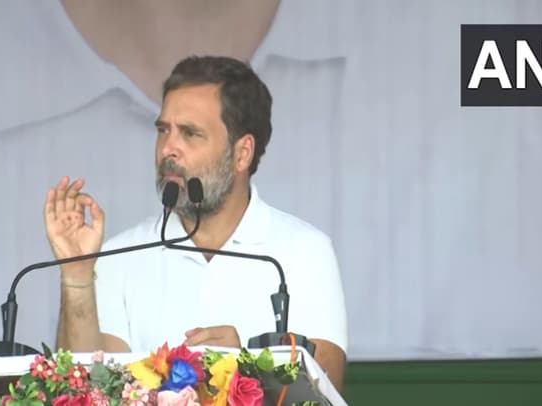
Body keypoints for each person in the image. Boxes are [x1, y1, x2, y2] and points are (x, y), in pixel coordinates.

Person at [45, 56, 348, 391]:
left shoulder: (304, 251)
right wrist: (77, 276)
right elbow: (85, 389)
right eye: (163, 130)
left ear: (242, 153)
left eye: (190, 133)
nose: (168, 149)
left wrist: (243, 369)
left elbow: (326, 384)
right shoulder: (119, 255)